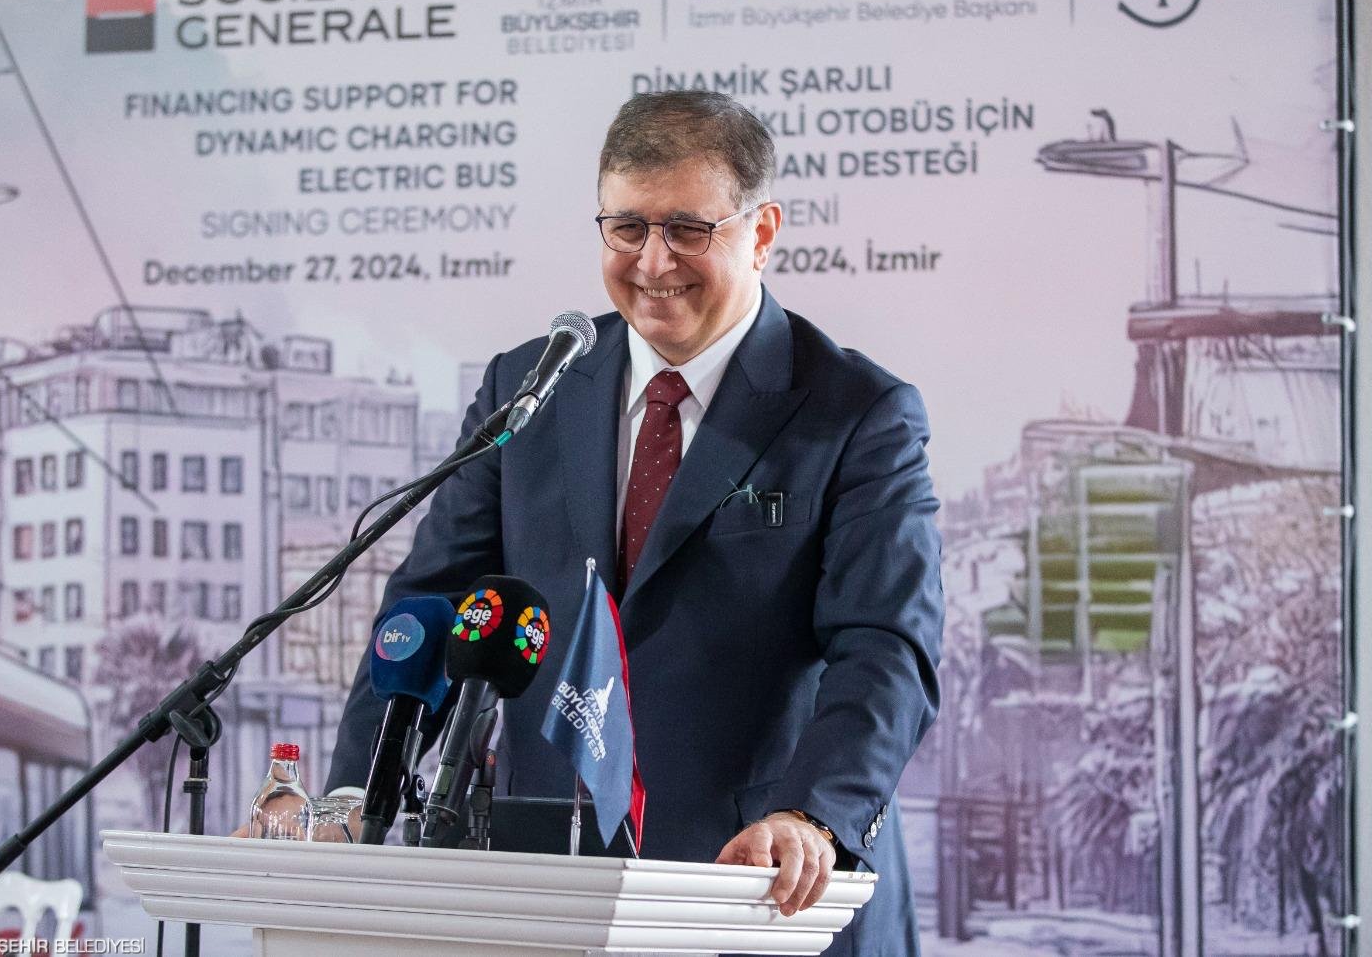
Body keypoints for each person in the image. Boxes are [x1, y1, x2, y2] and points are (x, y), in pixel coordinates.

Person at [327, 90, 943, 955]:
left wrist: (812, 816)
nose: (653, 262)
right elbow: (433, 611)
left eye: (687, 229)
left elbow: (887, 648)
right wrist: (353, 798)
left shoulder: (855, 414)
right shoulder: (527, 389)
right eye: (627, 228)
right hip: (550, 886)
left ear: (762, 233)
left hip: (763, 891)